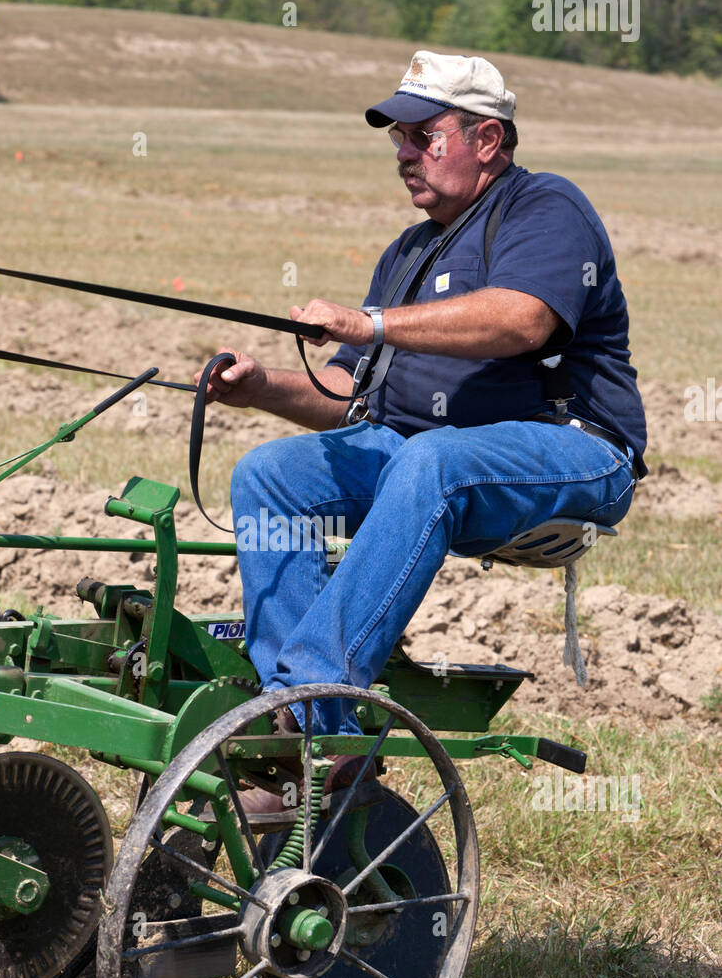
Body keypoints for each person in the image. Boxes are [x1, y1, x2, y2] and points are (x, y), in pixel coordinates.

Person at [200, 51, 647, 764]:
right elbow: (349, 396)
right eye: (397, 140)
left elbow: (521, 320)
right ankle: (316, 741)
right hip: (424, 455)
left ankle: (312, 698)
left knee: (428, 458)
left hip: (571, 447)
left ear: (487, 139)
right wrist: (261, 388)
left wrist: (370, 323)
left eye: (422, 135)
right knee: (271, 474)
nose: (404, 154)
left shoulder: (544, 208)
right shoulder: (406, 253)